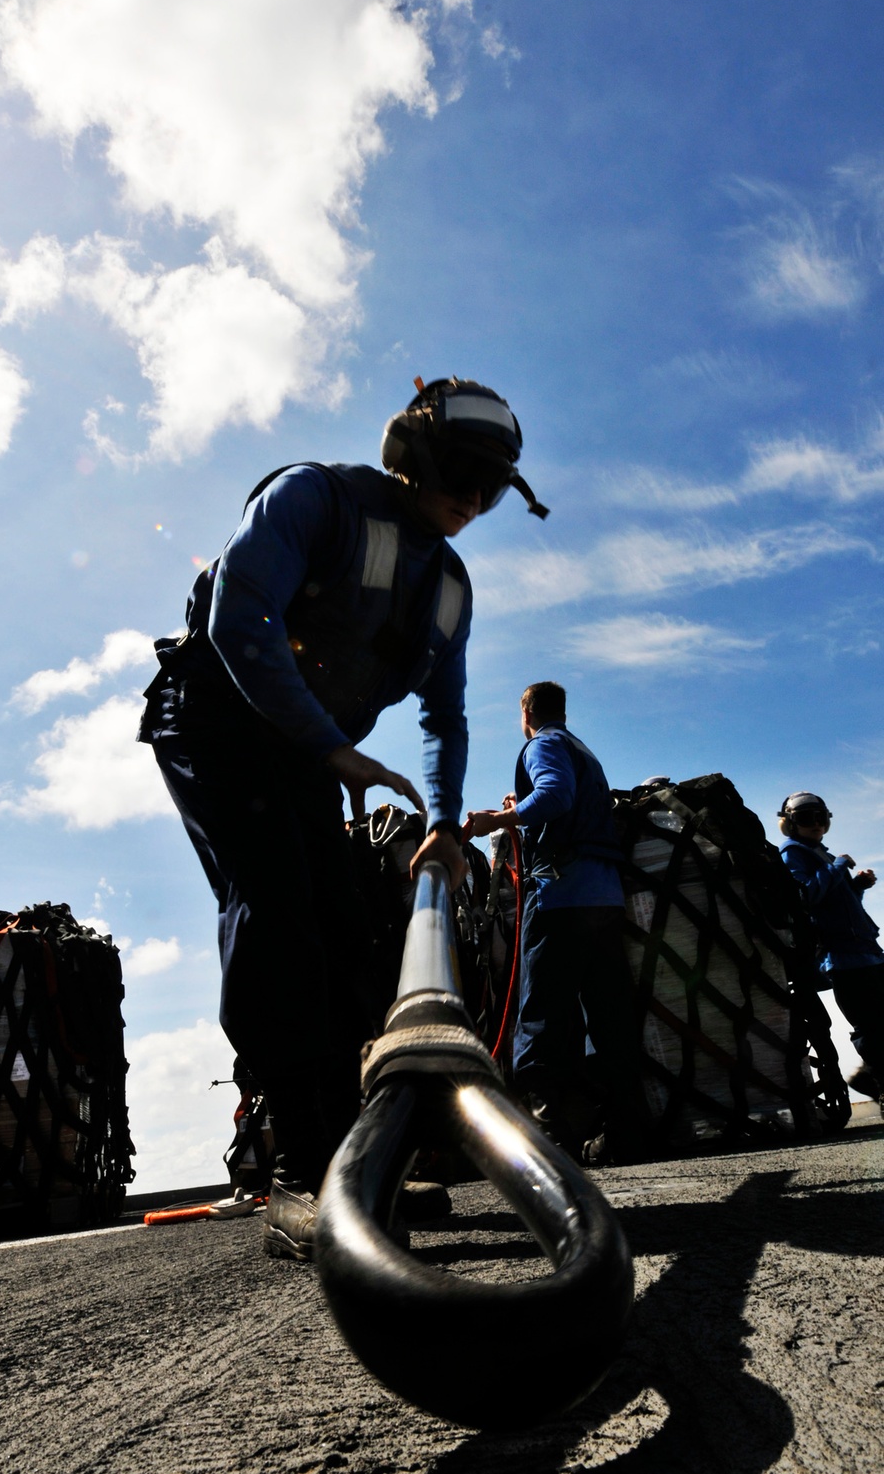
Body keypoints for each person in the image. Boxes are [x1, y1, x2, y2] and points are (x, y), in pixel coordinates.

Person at [137, 377, 548, 1259]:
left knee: (349, 924)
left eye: (492, 491)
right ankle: (299, 1173)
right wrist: (334, 748)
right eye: (464, 476)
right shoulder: (313, 498)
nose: (473, 502)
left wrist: (443, 818)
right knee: (277, 904)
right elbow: (237, 613)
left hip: (305, 748)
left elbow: (444, 717)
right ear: (417, 456)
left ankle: (351, 1157)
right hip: (214, 714)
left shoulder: (447, 587)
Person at [462, 682, 647, 1163]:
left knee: (540, 1013)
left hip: (560, 897)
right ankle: (625, 1132)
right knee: (607, 1016)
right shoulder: (582, 750)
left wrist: (495, 822)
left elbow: (555, 796)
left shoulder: (542, 744)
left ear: (525, 712)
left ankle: (549, 1135)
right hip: (604, 899)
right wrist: (518, 810)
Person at [778, 791, 884, 1105]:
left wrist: (856, 887)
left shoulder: (818, 852)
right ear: (791, 823)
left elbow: (838, 905)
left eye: (820, 817)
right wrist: (838, 868)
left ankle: (868, 1076)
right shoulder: (793, 852)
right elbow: (806, 897)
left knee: (880, 1020)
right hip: (842, 956)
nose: (816, 824)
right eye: (806, 818)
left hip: (866, 949)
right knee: (870, 1024)